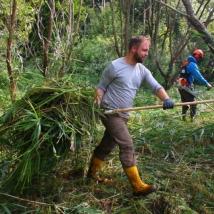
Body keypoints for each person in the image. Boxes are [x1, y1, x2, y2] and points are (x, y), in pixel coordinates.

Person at [87, 35, 174, 197]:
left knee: (107, 144)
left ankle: (90, 175)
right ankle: (137, 186)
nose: (146, 53)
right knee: (127, 145)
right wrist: (96, 106)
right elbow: (101, 87)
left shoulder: (142, 70)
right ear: (134, 48)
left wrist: (167, 99)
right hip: (110, 112)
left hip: (123, 115)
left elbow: (156, 87)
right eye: (144, 50)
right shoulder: (115, 66)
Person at [177, 49, 212, 121]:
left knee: (185, 103)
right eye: (199, 57)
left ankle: (183, 119)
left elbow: (190, 77)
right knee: (193, 103)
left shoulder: (186, 62)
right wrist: (206, 84)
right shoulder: (192, 64)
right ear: (196, 55)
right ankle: (192, 120)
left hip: (181, 86)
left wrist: (201, 84)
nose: (199, 59)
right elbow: (198, 76)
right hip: (186, 86)